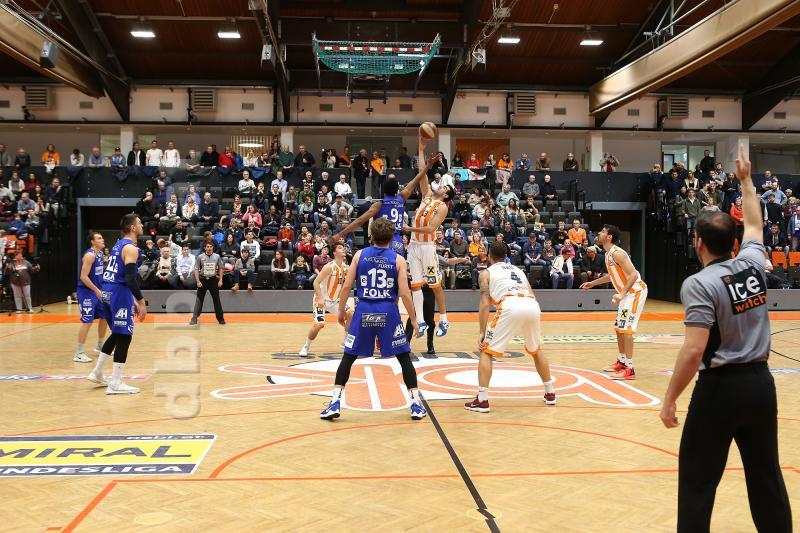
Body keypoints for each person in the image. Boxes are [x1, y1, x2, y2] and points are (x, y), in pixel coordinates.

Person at [659, 144, 792, 533]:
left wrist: (670, 398)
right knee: (767, 479)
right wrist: (747, 182)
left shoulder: (699, 284)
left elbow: (694, 349)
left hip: (719, 389)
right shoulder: (752, 264)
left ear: (698, 242)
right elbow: (755, 223)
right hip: (761, 387)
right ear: (733, 243)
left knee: (697, 483)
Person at [319, 218, 424, 420]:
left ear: (371, 236)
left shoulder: (360, 255)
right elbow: (404, 293)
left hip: (364, 309)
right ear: (391, 238)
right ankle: (415, 404)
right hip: (388, 311)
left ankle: (334, 403)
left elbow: (347, 286)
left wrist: (340, 311)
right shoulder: (398, 260)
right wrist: (413, 319)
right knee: (404, 357)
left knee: (348, 357)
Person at [465, 241, 556, 412]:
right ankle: (550, 392)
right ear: (506, 255)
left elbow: (485, 303)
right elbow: (532, 293)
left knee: (486, 351)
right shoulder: (518, 270)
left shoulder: (485, 273)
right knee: (536, 349)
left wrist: (482, 331)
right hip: (532, 305)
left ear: (490, 256)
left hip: (510, 304)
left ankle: (482, 399)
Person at [332, 141, 432, 256]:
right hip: (397, 242)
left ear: (383, 191)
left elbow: (360, 221)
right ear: (397, 190)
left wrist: (340, 234)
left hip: (382, 242)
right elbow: (417, 178)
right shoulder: (401, 198)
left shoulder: (379, 205)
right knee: (398, 265)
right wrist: (428, 166)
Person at [87, 214, 146, 394]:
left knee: (118, 334)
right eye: (139, 223)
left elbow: (117, 273)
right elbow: (129, 278)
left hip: (107, 290)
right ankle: (115, 383)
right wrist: (141, 302)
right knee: (125, 336)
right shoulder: (131, 248)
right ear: (133, 227)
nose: (142, 225)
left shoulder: (118, 244)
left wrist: (131, 299)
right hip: (118, 292)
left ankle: (97, 372)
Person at [580, 225, 648, 380]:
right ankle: (622, 361)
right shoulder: (608, 254)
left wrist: (622, 293)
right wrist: (593, 283)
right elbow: (612, 276)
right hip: (626, 295)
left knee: (627, 329)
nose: (599, 233)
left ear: (609, 237)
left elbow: (633, 275)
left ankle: (629, 369)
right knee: (619, 328)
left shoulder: (617, 253)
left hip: (635, 293)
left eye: (603, 231)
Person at [298, 243, 353, 356]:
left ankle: (345, 342)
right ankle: (306, 346)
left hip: (335, 300)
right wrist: (320, 298)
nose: (343, 249)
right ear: (334, 253)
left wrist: (342, 304)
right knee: (319, 325)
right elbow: (316, 282)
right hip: (321, 299)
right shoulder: (329, 267)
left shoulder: (346, 268)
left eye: (343, 247)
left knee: (351, 314)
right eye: (340, 248)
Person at [73, 231, 109, 362]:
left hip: (97, 291)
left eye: (102, 237)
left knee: (105, 316)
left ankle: (100, 346)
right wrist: (96, 290)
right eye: (99, 238)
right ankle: (79, 353)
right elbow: (83, 277)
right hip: (86, 292)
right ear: (92, 242)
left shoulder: (100, 254)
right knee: (87, 321)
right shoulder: (90, 255)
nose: (102, 239)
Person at [189, 242, 225, 325]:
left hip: (213, 280)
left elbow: (221, 268)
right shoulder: (200, 257)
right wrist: (198, 281)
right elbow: (196, 269)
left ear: (213, 247)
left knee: (217, 300)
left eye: (210, 246)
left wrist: (220, 280)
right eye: (207, 247)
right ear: (205, 248)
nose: (209, 248)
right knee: (199, 300)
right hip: (203, 280)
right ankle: (194, 318)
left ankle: (221, 319)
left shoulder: (217, 256)